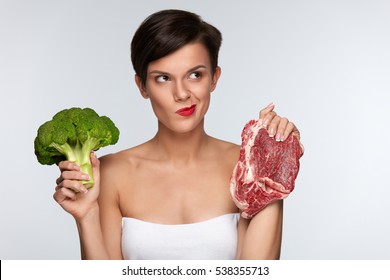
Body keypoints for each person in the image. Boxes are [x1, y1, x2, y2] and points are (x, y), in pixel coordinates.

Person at [53, 9, 300, 260]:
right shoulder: (110, 173)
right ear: (142, 86)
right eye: (163, 78)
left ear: (214, 78)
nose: (182, 93)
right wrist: (86, 216)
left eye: (195, 75)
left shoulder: (248, 167)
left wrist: (276, 160)